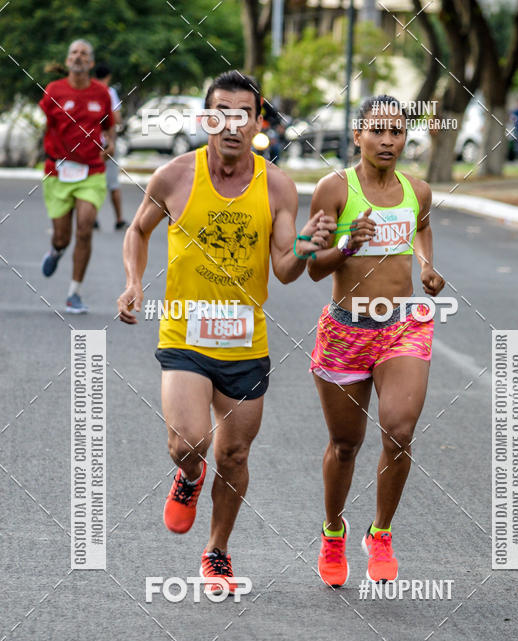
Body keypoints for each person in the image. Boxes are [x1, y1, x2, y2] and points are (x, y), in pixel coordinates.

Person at [117, 70, 334, 591]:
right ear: (206, 118)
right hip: (185, 336)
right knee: (188, 444)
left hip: (244, 342)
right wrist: (133, 283)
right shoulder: (173, 176)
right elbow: (137, 230)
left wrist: (305, 246)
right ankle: (189, 478)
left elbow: (284, 269)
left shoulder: (277, 185)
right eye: (222, 113)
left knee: (234, 455)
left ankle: (217, 549)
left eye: (245, 114)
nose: (233, 125)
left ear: (258, 122)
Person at [307, 94, 445, 587]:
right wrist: (348, 245)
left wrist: (427, 267)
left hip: (402, 324)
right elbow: (308, 262)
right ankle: (333, 531)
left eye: (398, 132)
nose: (388, 141)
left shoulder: (419, 191)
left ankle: (381, 533)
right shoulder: (333, 189)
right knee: (346, 445)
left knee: (400, 432)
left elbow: (423, 229)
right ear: (358, 136)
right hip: (347, 328)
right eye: (378, 131)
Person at [39, 39, 115, 313]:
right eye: (73, 52)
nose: (78, 56)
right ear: (68, 60)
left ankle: (74, 293)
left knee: (85, 227)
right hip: (58, 171)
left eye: (84, 53)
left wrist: (112, 143)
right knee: (63, 237)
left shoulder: (101, 93)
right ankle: (56, 251)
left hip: (91, 170)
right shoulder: (54, 90)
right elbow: (45, 126)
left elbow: (109, 126)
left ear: (91, 63)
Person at [95, 63, 128, 229]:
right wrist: (113, 142)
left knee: (92, 181)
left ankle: (91, 218)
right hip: (107, 144)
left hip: (90, 144)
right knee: (113, 184)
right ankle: (119, 219)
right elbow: (115, 118)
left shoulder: (89, 91)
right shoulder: (109, 92)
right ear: (108, 77)